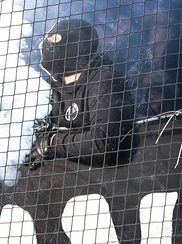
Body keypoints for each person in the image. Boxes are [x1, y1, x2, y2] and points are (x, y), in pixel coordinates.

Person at [26, 18, 134, 168]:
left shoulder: (105, 81)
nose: (45, 44)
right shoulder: (46, 88)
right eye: (47, 38)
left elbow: (102, 144)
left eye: (54, 38)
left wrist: (52, 142)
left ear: (75, 45)